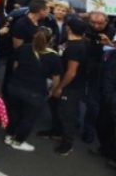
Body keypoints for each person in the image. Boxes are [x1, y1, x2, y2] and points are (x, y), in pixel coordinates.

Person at [5, 27, 61, 152]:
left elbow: (15, 66)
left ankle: (9, 135)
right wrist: (53, 89)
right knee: (28, 118)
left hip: (15, 86)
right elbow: (56, 78)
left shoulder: (23, 48)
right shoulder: (53, 57)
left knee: (14, 113)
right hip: (36, 92)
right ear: (49, 40)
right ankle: (18, 141)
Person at [40, 17, 90, 156]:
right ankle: (56, 131)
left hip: (71, 86)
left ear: (69, 28)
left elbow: (71, 72)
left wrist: (60, 87)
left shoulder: (76, 47)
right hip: (62, 82)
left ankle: (67, 143)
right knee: (55, 106)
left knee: (67, 114)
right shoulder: (70, 42)